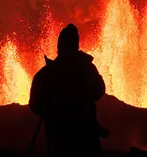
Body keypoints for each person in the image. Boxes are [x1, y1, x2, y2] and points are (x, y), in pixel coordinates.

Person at [29, 23, 107, 157]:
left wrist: (51, 113)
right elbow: (99, 89)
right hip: (85, 135)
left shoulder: (47, 73)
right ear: (76, 44)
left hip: (58, 136)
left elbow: (35, 104)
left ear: (59, 46)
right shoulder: (87, 69)